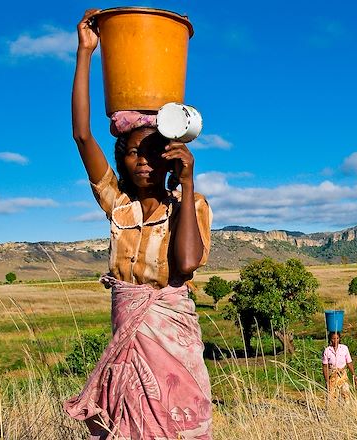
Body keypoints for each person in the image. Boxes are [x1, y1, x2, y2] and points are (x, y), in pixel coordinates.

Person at [63, 9, 214, 440]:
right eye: (133, 152)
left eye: (153, 152)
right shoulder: (118, 206)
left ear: (170, 155)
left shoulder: (192, 204)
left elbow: (184, 266)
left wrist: (186, 182)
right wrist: (86, 53)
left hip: (172, 350)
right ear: (121, 160)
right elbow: (81, 136)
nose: (143, 161)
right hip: (128, 345)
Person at [322, 331, 357, 402]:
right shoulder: (327, 350)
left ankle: (345, 411)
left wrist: (354, 375)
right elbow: (325, 366)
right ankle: (332, 411)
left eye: (337, 338)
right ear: (330, 339)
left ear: (339, 339)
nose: (335, 341)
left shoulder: (344, 348)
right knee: (331, 397)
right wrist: (327, 381)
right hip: (332, 375)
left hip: (342, 375)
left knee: (345, 394)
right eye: (333, 339)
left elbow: (349, 363)